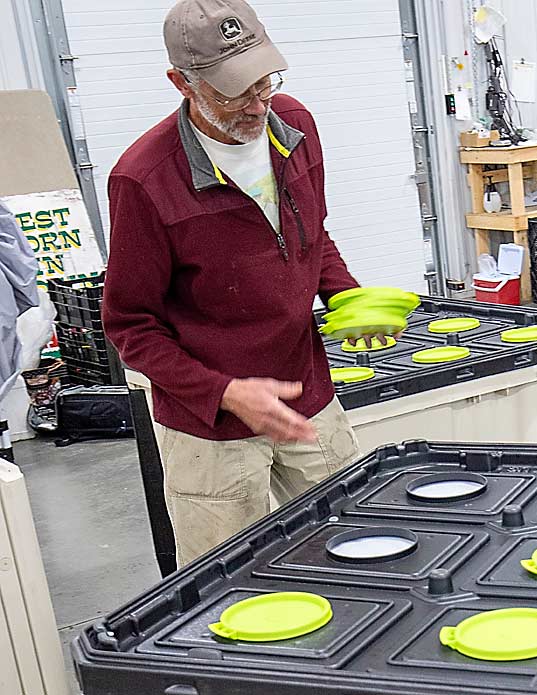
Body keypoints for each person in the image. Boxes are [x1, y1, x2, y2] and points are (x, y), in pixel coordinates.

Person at [102, 0, 375, 566]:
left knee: (355, 542)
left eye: (264, 80)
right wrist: (225, 393)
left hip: (305, 393)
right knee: (228, 581)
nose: (257, 104)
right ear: (182, 82)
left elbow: (310, 233)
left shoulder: (294, 125)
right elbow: (130, 326)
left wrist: (345, 295)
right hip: (210, 426)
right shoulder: (145, 180)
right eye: (234, 91)